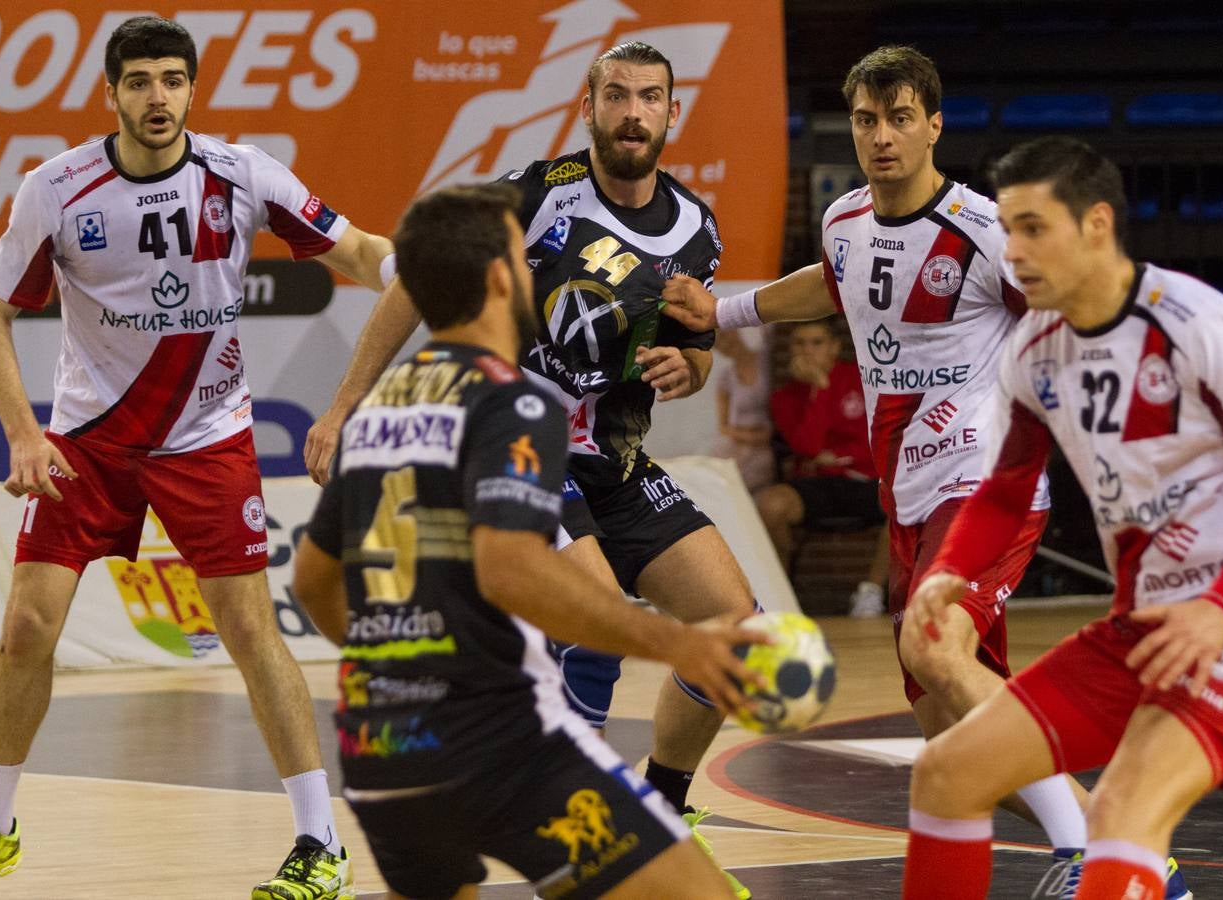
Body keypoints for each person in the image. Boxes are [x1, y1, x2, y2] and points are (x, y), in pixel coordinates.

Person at [662, 46, 1166, 897]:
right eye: (866, 120)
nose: (882, 136)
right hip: (907, 490)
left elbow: (1079, 307)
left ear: (933, 124)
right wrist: (725, 309)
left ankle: (1092, 859)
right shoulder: (845, 222)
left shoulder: (979, 229)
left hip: (983, 481)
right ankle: (1128, 851)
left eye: (900, 118)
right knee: (952, 737)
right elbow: (831, 284)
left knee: (930, 644)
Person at [0, 16, 393, 900]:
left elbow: (357, 249)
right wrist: (24, 433)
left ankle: (318, 845)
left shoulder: (241, 174)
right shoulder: (56, 188)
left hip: (206, 439)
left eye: (173, 80)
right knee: (25, 627)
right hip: (88, 440)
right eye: (138, 81)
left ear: (192, 89)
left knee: (250, 633)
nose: (157, 97)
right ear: (111, 94)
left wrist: (412, 265)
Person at [303, 41, 759, 898]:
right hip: (527, 447)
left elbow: (693, 344)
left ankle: (661, 803)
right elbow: (414, 275)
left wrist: (686, 367)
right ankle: (587, 819)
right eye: (615, 95)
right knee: (594, 620)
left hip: (615, 462)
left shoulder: (695, 227)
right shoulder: (539, 193)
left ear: (671, 113)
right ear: (588, 106)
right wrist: (342, 402)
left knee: (735, 623)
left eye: (648, 98)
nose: (631, 112)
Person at [900, 136, 1223, 899]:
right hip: (1144, 627)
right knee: (947, 772)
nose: (1014, 251)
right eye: (1006, 229)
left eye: (1034, 228)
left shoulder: (1198, 325)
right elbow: (1004, 489)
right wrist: (948, 571)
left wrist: (1217, 606)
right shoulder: (1032, 348)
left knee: (1124, 815)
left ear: (1096, 224)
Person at [756, 321, 889, 617]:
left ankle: (871, 592)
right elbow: (808, 448)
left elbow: (878, 439)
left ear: (834, 347)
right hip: (815, 483)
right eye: (800, 344)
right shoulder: (784, 397)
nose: (808, 350)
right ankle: (780, 594)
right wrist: (820, 389)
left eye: (816, 342)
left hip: (865, 478)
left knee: (907, 502)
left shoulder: (863, 379)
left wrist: (841, 456)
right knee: (771, 504)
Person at [711, 329, 773, 493]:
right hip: (740, 443)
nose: (725, 344)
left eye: (725, 336)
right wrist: (749, 437)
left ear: (736, 332)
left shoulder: (765, 360)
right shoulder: (726, 378)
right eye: (718, 344)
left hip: (767, 444)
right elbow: (723, 426)